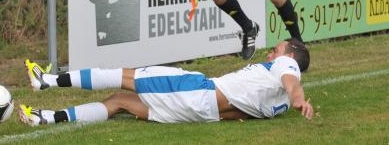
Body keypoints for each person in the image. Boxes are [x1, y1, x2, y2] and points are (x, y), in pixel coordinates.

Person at [18, 38, 312, 126]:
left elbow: (291, 82)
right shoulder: (280, 106)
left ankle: (48, 80)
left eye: (278, 48)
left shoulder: (285, 67)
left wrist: (298, 97)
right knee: (119, 102)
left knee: (124, 76)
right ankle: (45, 118)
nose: (271, 52)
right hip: (200, 115)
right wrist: (294, 101)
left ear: (290, 55)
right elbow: (242, 112)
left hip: (198, 90)